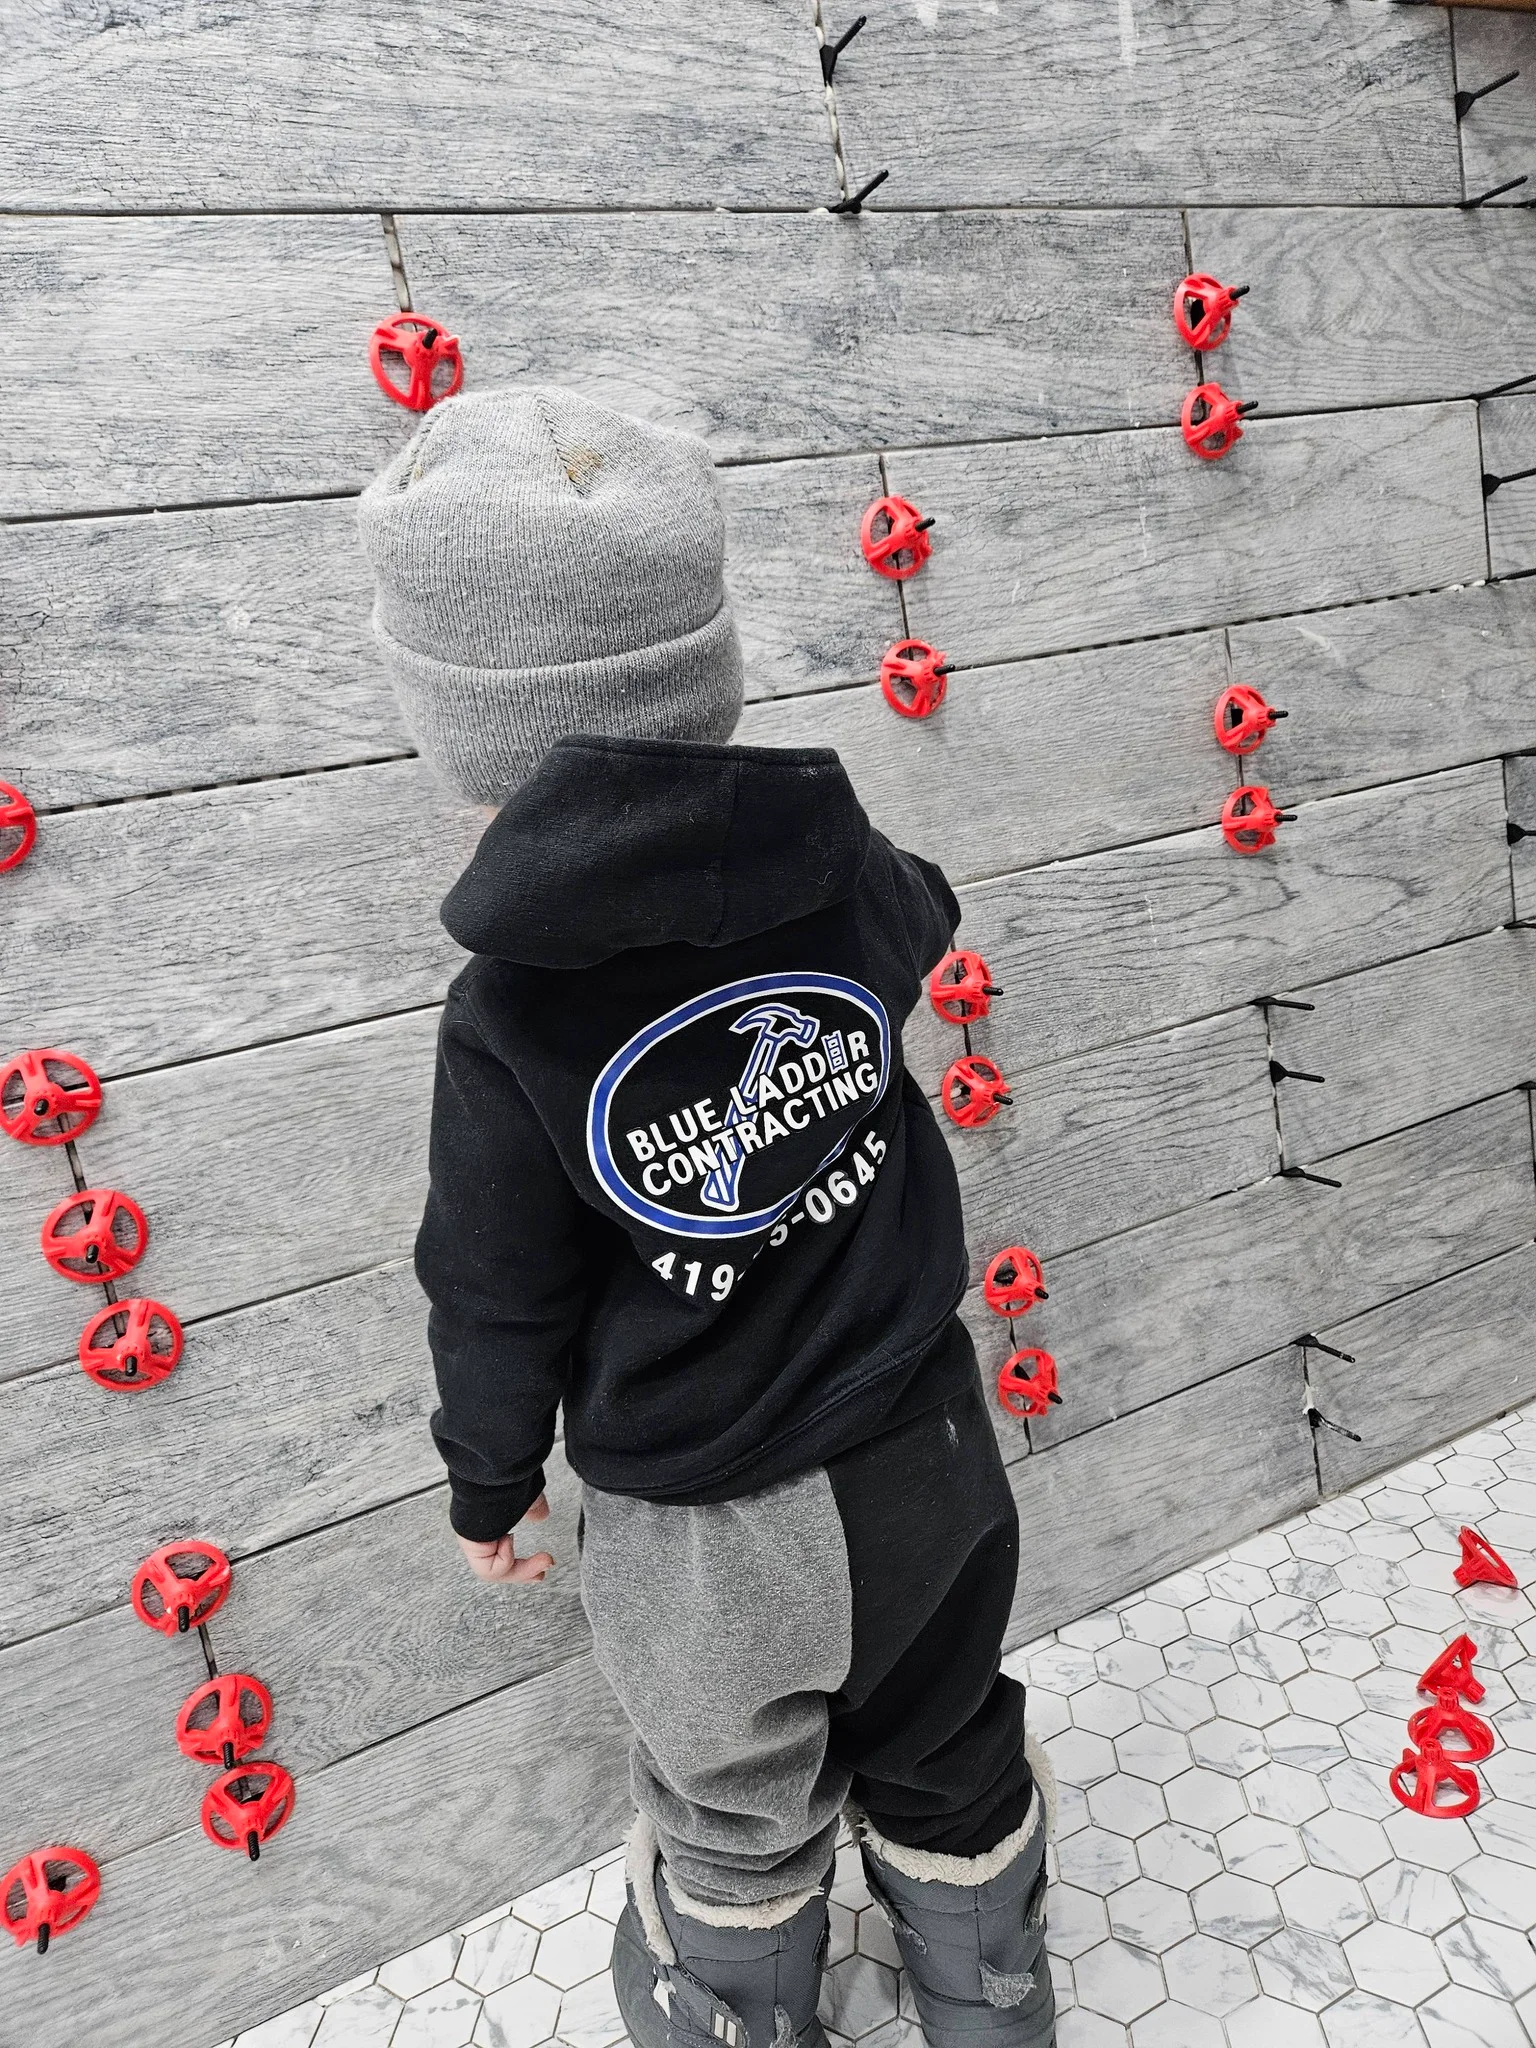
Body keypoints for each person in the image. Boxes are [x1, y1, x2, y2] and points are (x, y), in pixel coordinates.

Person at [358, 386, 1055, 2048]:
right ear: (704, 665)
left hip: (703, 1521)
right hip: (924, 1442)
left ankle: (737, 2004)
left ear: (459, 730)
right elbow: (931, 917)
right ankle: (990, 1993)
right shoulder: (845, 862)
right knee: (947, 1734)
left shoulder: (510, 1008)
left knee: (733, 1796)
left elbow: (492, 1288)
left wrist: (489, 1481)